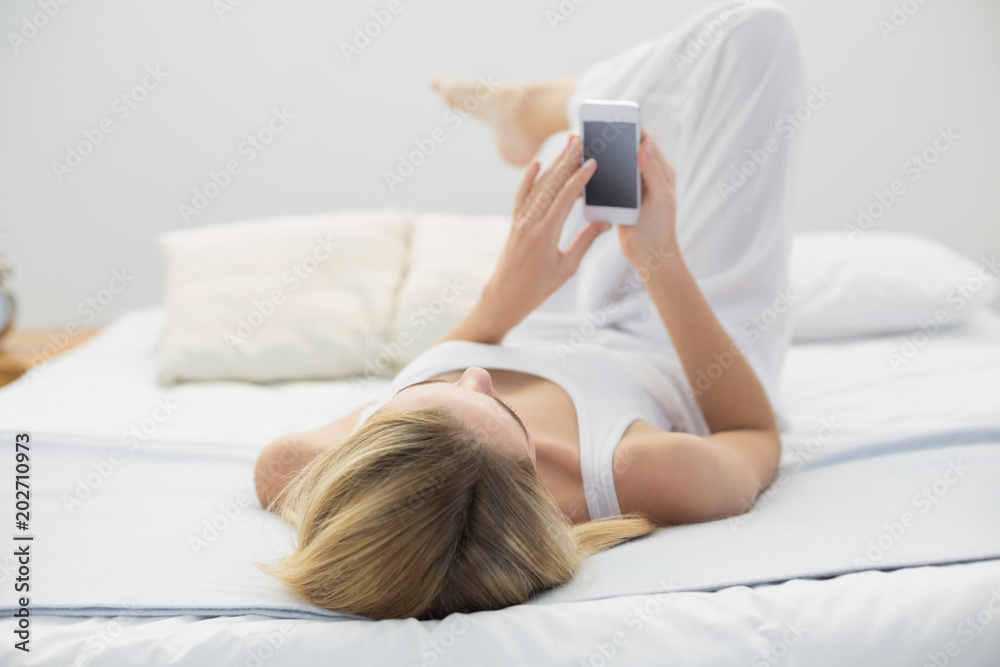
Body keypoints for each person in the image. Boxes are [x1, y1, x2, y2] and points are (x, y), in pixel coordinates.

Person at [254, 0, 806, 620]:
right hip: (679, 335)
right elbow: (753, 433)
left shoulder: (295, 467)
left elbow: (466, 367)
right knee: (756, 36)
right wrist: (658, 259)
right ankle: (537, 108)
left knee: (615, 131)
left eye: (434, 388)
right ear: (535, 483)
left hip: (542, 306)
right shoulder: (637, 471)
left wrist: (507, 295)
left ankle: (536, 112)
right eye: (499, 408)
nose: (477, 372)